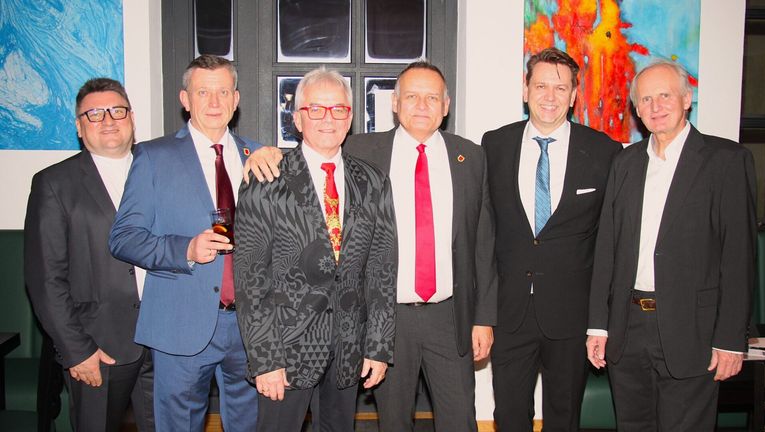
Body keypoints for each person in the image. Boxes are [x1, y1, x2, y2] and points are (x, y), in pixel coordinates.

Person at [244, 60, 498, 432]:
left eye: (432, 98)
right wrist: (264, 153)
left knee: (460, 420)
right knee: (391, 422)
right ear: (394, 103)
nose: (422, 106)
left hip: (449, 315)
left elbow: (484, 243)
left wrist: (483, 317)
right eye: (411, 96)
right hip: (384, 317)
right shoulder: (363, 149)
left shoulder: (470, 156)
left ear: (446, 106)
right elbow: (313, 150)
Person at [586, 59, 756, 431]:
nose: (656, 106)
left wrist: (731, 340)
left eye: (665, 95)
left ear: (687, 99)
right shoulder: (625, 163)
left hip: (693, 331)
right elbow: (607, 248)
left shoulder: (726, 161)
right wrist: (598, 326)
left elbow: (738, 257)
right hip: (628, 329)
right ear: (637, 109)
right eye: (646, 99)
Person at [235, 67, 397, 432]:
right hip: (284, 350)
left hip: (348, 350)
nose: (328, 118)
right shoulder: (266, 179)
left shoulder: (373, 181)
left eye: (338, 109)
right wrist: (264, 359)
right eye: (316, 109)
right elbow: (250, 278)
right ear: (297, 119)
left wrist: (378, 346)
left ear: (350, 118)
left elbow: (382, 270)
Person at [109, 55, 260, 430]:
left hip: (250, 326)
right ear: (185, 99)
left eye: (223, 92)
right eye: (203, 92)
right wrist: (185, 250)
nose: (214, 102)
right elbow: (123, 238)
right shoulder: (153, 156)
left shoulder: (258, 156)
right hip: (180, 323)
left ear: (236, 98)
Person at [480, 48, 622, 432]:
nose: (549, 96)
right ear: (525, 88)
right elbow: (484, 232)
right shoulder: (494, 145)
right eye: (541, 85)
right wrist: (483, 313)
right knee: (509, 416)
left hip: (571, 315)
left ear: (574, 95)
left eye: (560, 88)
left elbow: (609, 243)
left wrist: (601, 322)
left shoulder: (605, 152)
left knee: (563, 417)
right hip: (509, 313)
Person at [25, 78, 154, 432]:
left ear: (132, 118)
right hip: (98, 346)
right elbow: (45, 280)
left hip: (164, 343)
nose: (108, 120)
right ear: (79, 127)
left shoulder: (159, 170)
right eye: (95, 114)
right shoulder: (53, 184)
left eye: (117, 111)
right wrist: (76, 350)